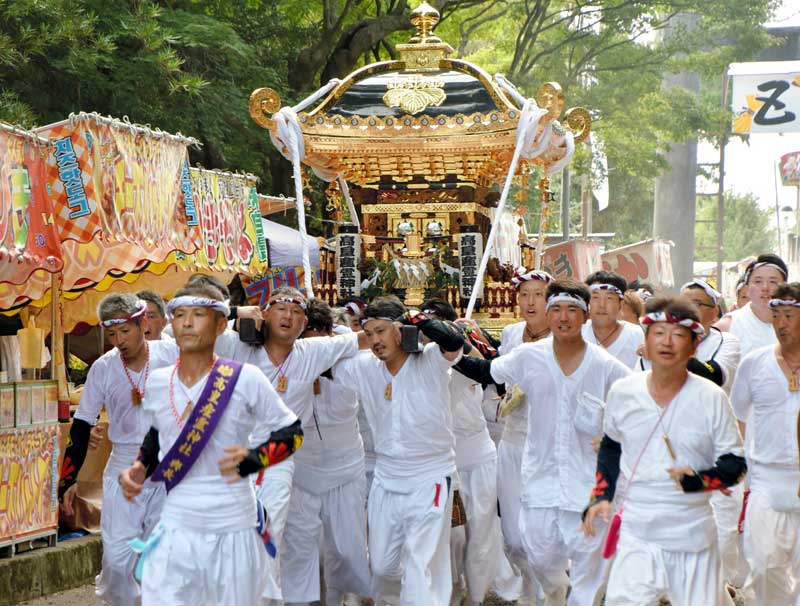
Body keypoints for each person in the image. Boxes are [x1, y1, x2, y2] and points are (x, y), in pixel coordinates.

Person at [118, 283, 302, 606]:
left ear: (220, 325)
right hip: (177, 523)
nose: (187, 323)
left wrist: (255, 459)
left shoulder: (245, 378)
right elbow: (158, 433)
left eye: (198, 315)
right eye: (180, 315)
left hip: (232, 526)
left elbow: (293, 432)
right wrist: (140, 467)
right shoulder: (159, 382)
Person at [455, 279, 631, 605]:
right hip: (539, 484)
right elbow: (486, 372)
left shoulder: (608, 367)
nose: (564, 318)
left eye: (572, 310)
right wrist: (453, 346)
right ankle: (555, 593)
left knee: (589, 576)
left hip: (586, 488)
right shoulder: (528, 357)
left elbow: (638, 408)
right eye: (557, 310)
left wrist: (613, 435)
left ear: (585, 316)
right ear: (549, 315)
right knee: (538, 560)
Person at [583, 296, 746, 606]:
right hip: (637, 532)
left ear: (694, 345)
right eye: (658, 333)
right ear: (644, 340)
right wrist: (601, 496)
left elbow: (735, 464)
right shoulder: (623, 392)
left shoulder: (710, 397)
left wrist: (698, 479)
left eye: (678, 335)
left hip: (692, 536)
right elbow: (611, 446)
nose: (667, 342)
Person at [214, 285, 363, 605]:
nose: (288, 317)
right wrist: (235, 313)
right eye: (281, 309)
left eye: (297, 312)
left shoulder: (313, 352)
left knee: (266, 533)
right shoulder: (234, 347)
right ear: (264, 314)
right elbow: (181, 326)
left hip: (277, 461)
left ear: (304, 322)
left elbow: (364, 338)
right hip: (229, 460)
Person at [331, 295, 465, 606]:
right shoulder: (364, 368)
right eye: (370, 333)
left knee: (421, 563)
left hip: (430, 476)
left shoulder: (431, 359)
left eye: (381, 331)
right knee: (382, 566)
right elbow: (321, 363)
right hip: (386, 478)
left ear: (400, 330)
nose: (375, 341)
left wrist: (416, 320)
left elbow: (454, 342)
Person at [58, 294, 178, 606]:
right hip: (122, 470)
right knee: (117, 561)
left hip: (167, 470)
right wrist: (67, 481)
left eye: (125, 331)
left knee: (160, 558)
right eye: (111, 334)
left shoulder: (173, 355)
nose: (118, 341)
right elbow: (83, 425)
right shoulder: (103, 368)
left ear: (144, 324)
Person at [280, 299, 371, 606]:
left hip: (345, 468)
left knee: (346, 549)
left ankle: (339, 599)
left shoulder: (352, 361)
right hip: (300, 469)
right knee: (300, 547)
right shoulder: (289, 361)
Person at [421, 298, 503, 606]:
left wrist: (470, 339)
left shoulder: (468, 354)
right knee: (451, 536)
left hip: (478, 456)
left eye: (438, 327)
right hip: (443, 463)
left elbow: (493, 371)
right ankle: (451, 592)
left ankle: (477, 597)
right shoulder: (416, 360)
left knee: (480, 532)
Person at [731, 284, 800, 606]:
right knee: (762, 567)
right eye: (776, 315)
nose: (781, 323)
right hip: (766, 479)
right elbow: (738, 418)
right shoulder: (754, 364)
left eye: (789, 315)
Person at [490, 267, 553, 606]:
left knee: (542, 533)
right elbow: (499, 375)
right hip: (512, 441)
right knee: (513, 537)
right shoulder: (512, 334)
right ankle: (531, 586)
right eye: (524, 294)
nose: (530, 302)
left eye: (538, 295)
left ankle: (546, 594)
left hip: (547, 445)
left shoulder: (566, 337)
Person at [716, 254, 788, 356]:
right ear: (747, 287)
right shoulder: (727, 326)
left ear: (785, 287)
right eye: (758, 281)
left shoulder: (795, 324)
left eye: (773, 282)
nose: (765, 287)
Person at [582, 271, 644, 368]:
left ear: (621, 304)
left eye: (609, 298)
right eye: (595, 297)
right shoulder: (578, 333)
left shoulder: (636, 336)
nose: (602, 305)